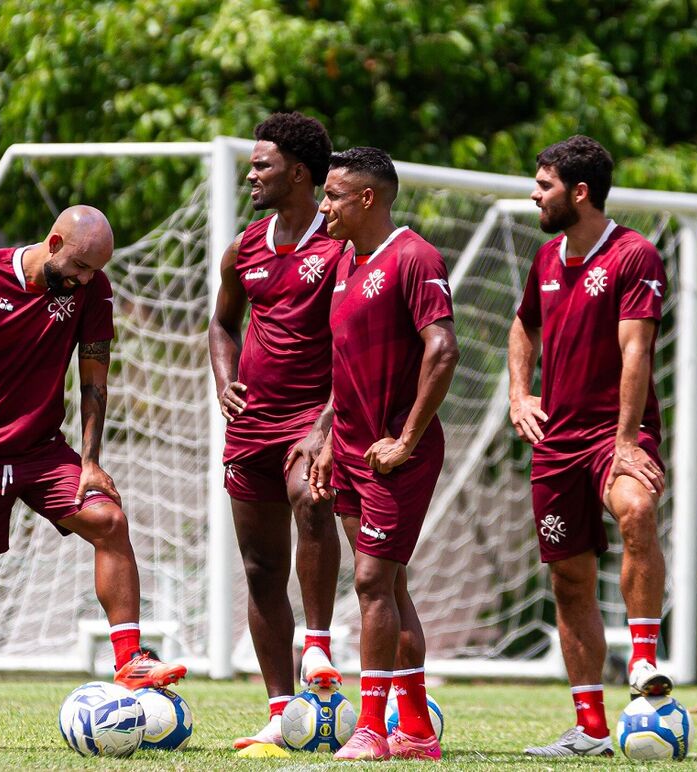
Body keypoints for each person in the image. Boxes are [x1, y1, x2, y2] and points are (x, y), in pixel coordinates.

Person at [0, 205, 186, 750]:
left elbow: (94, 379)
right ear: (52, 242)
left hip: (41, 452)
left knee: (109, 521)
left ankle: (129, 662)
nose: (84, 280)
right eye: (77, 267)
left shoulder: (92, 294)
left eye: (94, 271)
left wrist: (91, 460)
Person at [510, 135, 671, 758]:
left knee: (637, 509)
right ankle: (591, 730)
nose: (534, 194)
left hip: (614, 436)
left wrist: (629, 441)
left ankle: (645, 664)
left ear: (579, 192)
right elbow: (524, 323)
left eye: (543, 184)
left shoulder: (635, 255)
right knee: (569, 581)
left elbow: (638, 350)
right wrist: (520, 397)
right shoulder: (546, 258)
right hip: (557, 442)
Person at [310, 147, 458, 761]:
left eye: (333, 196)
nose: (324, 208)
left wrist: (407, 440)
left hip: (397, 455)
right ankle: (418, 731)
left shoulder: (414, 257)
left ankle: (371, 727)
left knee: (372, 580)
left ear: (366, 198)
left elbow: (443, 350)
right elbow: (342, 365)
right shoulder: (345, 261)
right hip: (347, 449)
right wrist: (323, 439)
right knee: (388, 587)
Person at [208, 112, 347, 749]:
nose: (252, 173)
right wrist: (223, 377)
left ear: (298, 172)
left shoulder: (340, 244)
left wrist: (326, 420)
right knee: (261, 567)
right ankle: (280, 711)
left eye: (262, 164)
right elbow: (221, 324)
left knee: (309, 499)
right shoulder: (245, 246)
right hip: (251, 425)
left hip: (314, 421)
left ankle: (319, 650)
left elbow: (358, 342)